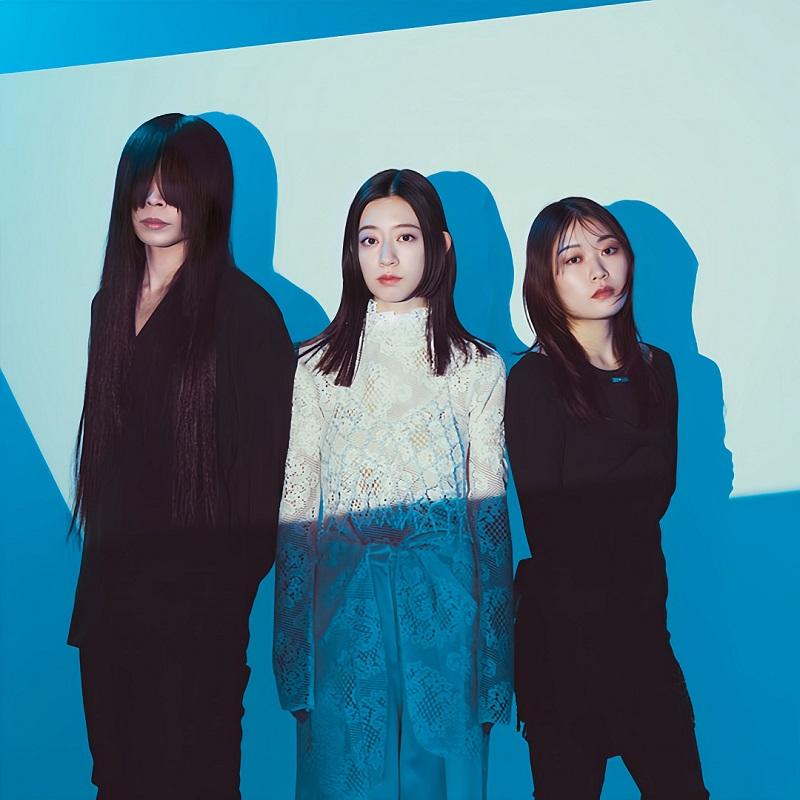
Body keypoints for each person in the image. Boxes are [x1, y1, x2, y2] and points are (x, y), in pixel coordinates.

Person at [68, 113, 295, 799]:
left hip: (197, 614)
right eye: (143, 184)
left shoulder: (249, 314)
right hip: (109, 606)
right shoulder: (109, 306)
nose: (154, 201)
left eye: (173, 186)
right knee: (115, 781)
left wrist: (217, 603)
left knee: (195, 781)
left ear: (210, 193)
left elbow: (266, 483)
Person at [273, 168, 513, 800]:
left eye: (405, 237)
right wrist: (293, 659)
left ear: (439, 245)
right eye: (369, 239)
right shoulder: (314, 366)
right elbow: (296, 515)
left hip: (446, 622)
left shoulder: (478, 367)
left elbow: (490, 523)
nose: (386, 257)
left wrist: (494, 669)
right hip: (344, 621)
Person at [506, 197, 709, 799]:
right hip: (565, 645)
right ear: (545, 280)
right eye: (573, 258)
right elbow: (551, 528)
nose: (598, 269)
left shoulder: (659, 369)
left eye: (609, 249)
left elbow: (659, 494)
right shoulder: (533, 380)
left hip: (644, 633)